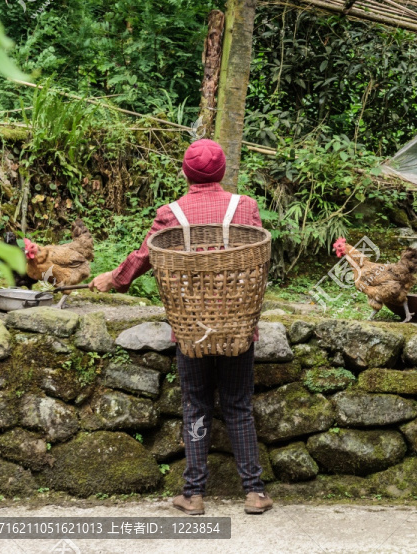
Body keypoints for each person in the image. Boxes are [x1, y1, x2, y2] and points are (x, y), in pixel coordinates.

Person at [90, 139, 273, 516]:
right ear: (222, 171)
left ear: (186, 173)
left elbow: (145, 255)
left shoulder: (170, 213)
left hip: (192, 327)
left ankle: (193, 494)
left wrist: (114, 279)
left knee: (196, 405)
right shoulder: (246, 207)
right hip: (237, 324)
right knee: (239, 406)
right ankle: (254, 492)